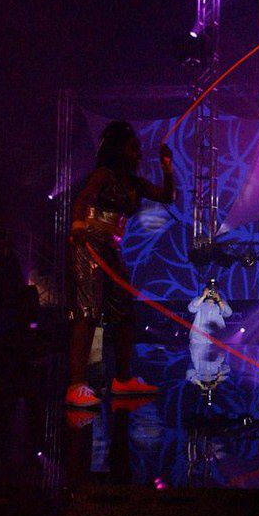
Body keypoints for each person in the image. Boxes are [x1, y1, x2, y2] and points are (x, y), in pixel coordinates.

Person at [66, 121, 174, 407]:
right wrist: (77, 224)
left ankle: (122, 379)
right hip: (89, 244)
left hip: (111, 247)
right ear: (117, 150)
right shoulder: (103, 175)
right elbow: (82, 200)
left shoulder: (134, 183)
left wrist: (167, 167)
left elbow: (168, 197)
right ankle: (76, 386)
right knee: (88, 309)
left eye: (138, 149)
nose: (138, 154)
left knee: (124, 311)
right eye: (132, 148)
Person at [187, 279, 233, 387]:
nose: (212, 292)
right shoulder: (199, 300)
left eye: (214, 290)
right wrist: (203, 296)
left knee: (219, 359)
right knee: (195, 359)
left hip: (216, 342)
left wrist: (219, 300)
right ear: (206, 289)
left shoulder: (221, 303)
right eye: (210, 289)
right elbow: (191, 309)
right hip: (198, 341)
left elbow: (228, 313)